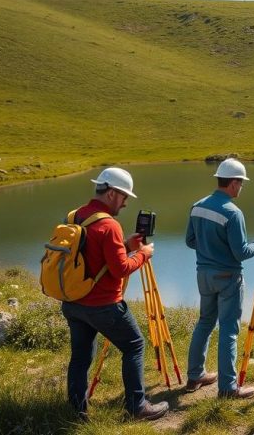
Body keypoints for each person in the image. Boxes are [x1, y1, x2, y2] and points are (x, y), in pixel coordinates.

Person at [60, 167, 169, 421]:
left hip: (73, 302)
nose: (126, 202)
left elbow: (91, 256)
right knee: (134, 345)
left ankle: (77, 410)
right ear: (110, 193)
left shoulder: (76, 216)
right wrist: (142, 254)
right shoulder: (109, 225)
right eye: (123, 196)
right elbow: (120, 269)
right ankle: (137, 406)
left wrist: (125, 246)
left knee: (80, 356)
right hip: (103, 305)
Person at [184, 158, 254, 398]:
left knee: (205, 323)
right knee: (229, 330)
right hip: (228, 277)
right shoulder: (233, 213)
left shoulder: (197, 206)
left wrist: (210, 249)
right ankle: (228, 388)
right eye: (241, 183)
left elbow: (190, 240)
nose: (241, 188)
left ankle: (195, 376)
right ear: (234, 183)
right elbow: (242, 253)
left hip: (203, 275)